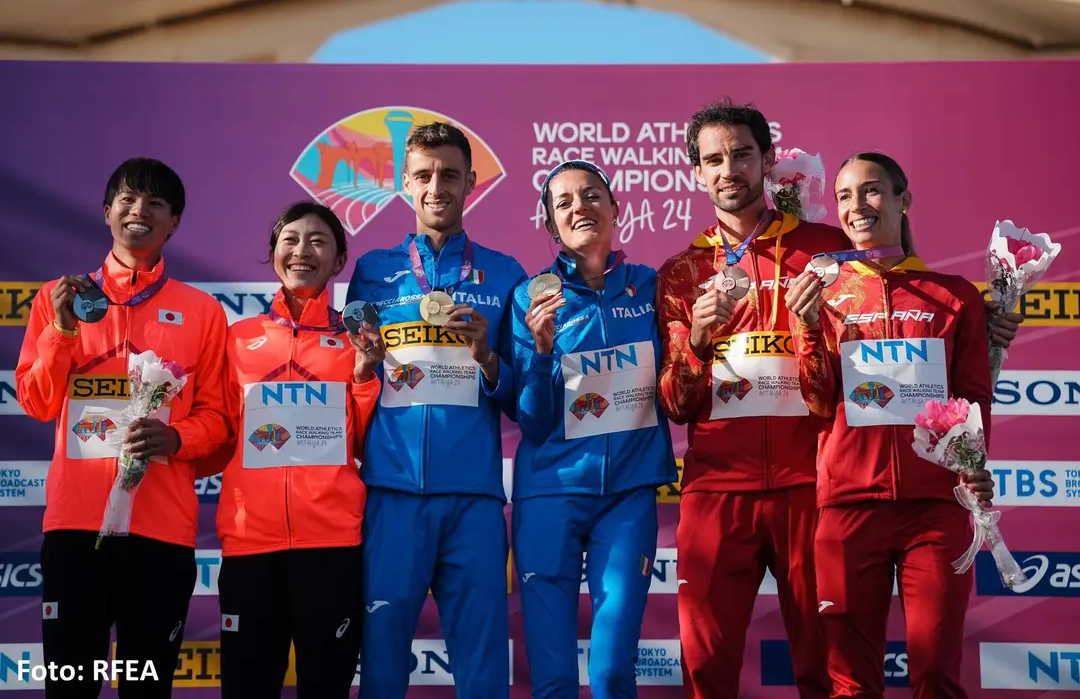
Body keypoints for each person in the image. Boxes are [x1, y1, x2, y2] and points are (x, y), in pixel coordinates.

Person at [655, 99, 1022, 699]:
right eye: (714, 160)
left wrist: (983, 322)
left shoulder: (833, 249)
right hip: (719, 487)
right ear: (697, 173)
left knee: (828, 677)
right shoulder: (679, 274)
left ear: (768, 162)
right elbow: (674, 401)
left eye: (743, 154)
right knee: (707, 669)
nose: (730, 170)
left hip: (815, 487)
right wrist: (697, 341)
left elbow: (906, 304)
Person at [15, 157, 231, 697]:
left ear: (174, 222)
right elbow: (39, 403)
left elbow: (221, 422)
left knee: (146, 688)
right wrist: (63, 331)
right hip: (75, 529)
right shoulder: (56, 297)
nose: (140, 211)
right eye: (129, 200)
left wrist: (178, 438)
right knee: (72, 684)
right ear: (107, 210)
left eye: (156, 203)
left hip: (160, 532)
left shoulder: (202, 311)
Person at [785, 152, 996, 698]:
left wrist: (973, 468)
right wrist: (807, 330)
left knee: (934, 675)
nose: (858, 206)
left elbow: (973, 398)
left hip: (935, 510)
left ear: (904, 200)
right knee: (850, 684)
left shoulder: (956, 296)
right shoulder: (821, 295)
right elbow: (814, 400)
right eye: (845, 196)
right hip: (849, 509)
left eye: (872, 191)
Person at [344, 121, 527, 698]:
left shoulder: (505, 272)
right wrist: (365, 364)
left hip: (472, 497)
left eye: (449, 174)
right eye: (423, 174)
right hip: (391, 494)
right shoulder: (372, 271)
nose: (436, 186)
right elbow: (353, 385)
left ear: (471, 181)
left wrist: (487, 357)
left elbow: (523, 395)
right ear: (404, 182)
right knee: (381, 663)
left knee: (482, 668)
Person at [193, 201, 382, 697]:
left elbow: (365, 445)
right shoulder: (238, 339)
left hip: (332, 547)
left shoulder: (357, 341)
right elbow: (216, 434)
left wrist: (364, 379)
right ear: (274, 252)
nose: (302, 250)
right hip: (250, 545)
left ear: (340, 261)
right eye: (291, 240)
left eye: (319, 241)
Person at [510, 160, 678, 698]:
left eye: (590, 196)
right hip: (549, 496)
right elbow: (531, 420)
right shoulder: (529, 299)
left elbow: (680, 384)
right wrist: (539, 353)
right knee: (555, 679)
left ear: (616, 208)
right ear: (548, 225)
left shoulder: (650, 287)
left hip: (626, 498)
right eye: (563, 203)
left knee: (610, 673)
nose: (579, 207)